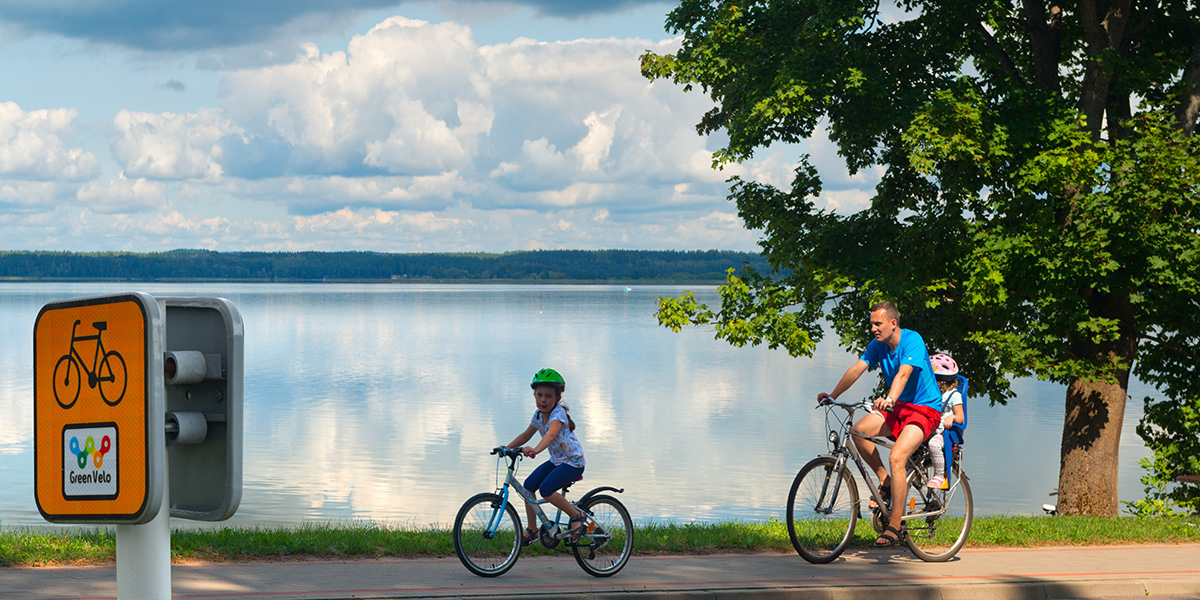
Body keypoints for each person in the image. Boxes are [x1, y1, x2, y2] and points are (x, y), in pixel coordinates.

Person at [816, 301, 942, 548]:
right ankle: (885, 481)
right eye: (871, 323)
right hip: (899, 408)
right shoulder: (877, 345)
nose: (873, 328)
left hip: (925, 409)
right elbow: (857, 369)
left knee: (897, 457)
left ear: (893, 323)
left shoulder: (912, 340)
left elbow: (903, 374)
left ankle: (895, 525)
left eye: (878, 324)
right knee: (858, 431)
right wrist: (833, 395)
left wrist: (890, 399)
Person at [504, 368, 587, 546]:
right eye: (539, 395)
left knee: (546, 490)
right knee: (528, 487)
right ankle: (533, 529)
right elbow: (526, 435)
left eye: (548, 396)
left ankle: (576, 515)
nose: (543, 400)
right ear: (534, 395)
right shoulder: (538, 415)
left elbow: (549, 436)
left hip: (573, 462)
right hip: (557, 461)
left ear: (557, 399)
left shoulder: (558, 415)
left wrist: (535, 450)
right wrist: (506, 448)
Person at [925, 353, 965, 490]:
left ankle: (939, 476)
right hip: (932, 428)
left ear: (940, 382)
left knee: (934, 444)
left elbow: (961, 417)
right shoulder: (933, 395)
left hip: (945, 432)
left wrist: (952, 417)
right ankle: (914, 472)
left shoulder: (954, 395)